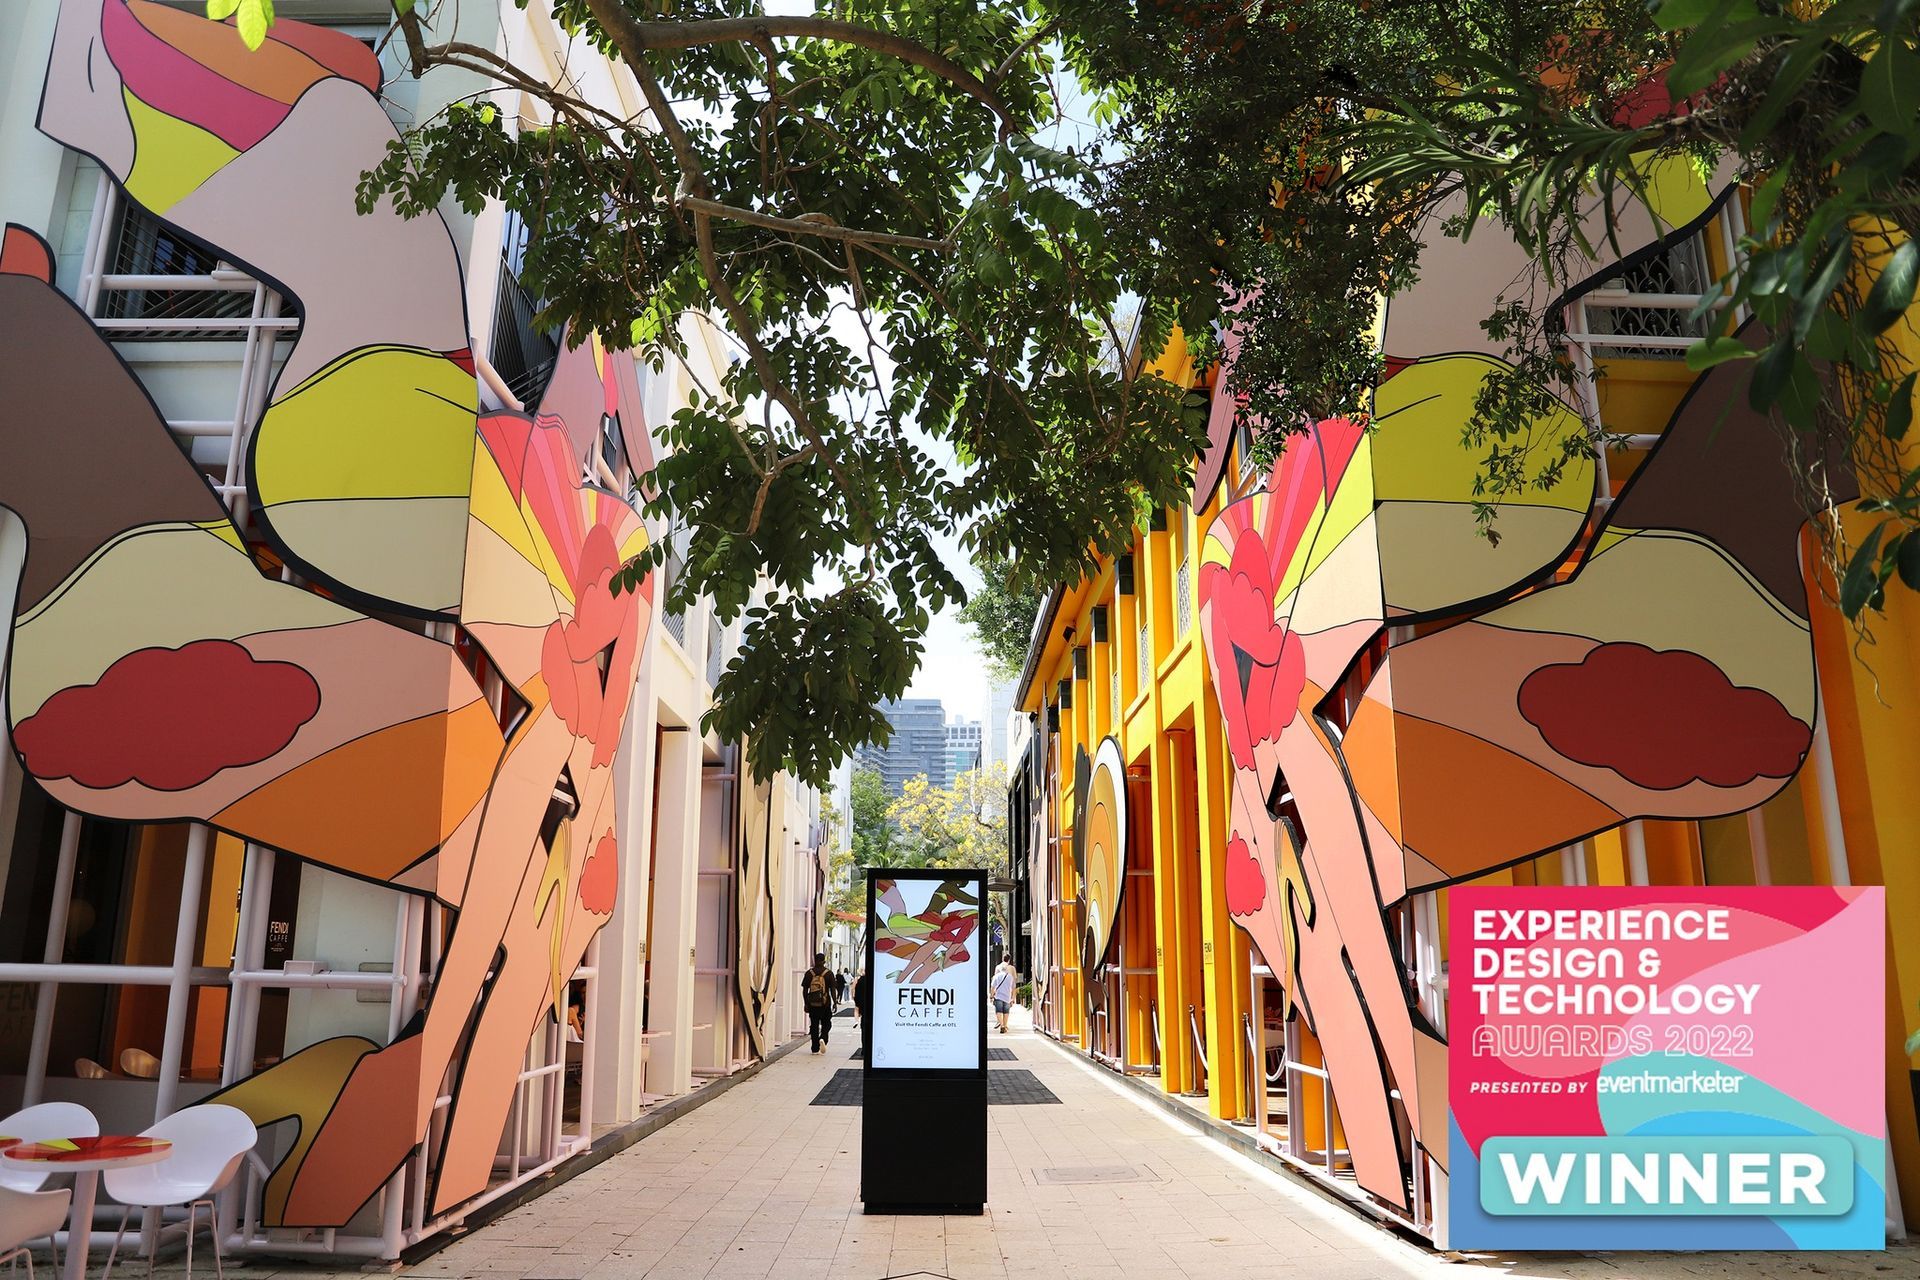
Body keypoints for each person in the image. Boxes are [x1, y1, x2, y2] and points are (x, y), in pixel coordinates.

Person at [804, 952, 834, 1053]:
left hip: (812, 1004)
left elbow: (805, 990)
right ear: (824, 961)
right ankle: (823, 1038)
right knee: (827, 1023)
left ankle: (815, 1047)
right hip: (825, 1003)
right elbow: (832, 989)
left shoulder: (809, 973)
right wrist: (835, 1002)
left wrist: (806, 1003)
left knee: (814, 1025)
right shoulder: (828, 973)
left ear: (815, 960)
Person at [991, 961, 1017, 1034]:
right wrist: (1013, 998)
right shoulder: (1010, 977)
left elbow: (992, 987)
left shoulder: (996, 976)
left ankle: (1002, 1025)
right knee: (1006, 1012)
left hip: (998, 996)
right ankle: (1005, 1025)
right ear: (1006, 969)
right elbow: (1014, 988)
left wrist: (991, 995)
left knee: (998, 1011)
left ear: (1000, 969)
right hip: (1007, 997)